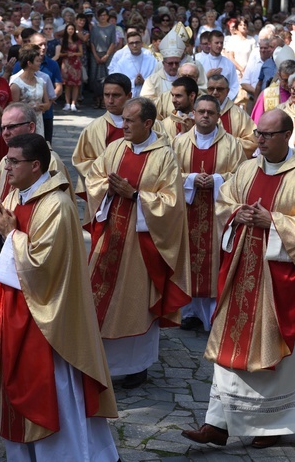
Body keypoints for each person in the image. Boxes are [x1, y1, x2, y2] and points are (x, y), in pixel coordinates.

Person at [181, 109, 295, 449]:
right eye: (258, 133)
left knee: (275, 354)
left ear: (285, 136)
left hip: (281, 281)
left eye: (266, 134)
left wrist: (274, 222)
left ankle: (273, 426)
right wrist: (238, 215)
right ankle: (217, 423)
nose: (259, 139)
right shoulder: (247, 168)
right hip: (241, 273)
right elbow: (225, 202)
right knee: (228, 343)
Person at [0, 132, 118, 460]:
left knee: (50, 387)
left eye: (13, 162)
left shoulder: (55, 204)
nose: (7, 168)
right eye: (6, 161)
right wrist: (2, 235)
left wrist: (10, 234)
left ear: (35, 165)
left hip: (47, 318)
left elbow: (43, 267)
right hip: (12, 306)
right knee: (13, 380)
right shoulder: (16, 195)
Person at [85, 97, 191, 389]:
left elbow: (172, 204)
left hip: (142, 244)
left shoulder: (164, 157)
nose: (123, 125)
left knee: (136, 302)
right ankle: (99, 362)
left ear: (147, 123)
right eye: (122, 119)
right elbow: (93, 178)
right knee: (98, 295)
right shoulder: (116, 147)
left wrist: (134, 195)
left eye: (130, 121)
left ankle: (137, 365)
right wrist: (106, 187)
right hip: (110, 236)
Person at [0, 102, 74, 335]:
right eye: (3, 128)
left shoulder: (51, 164)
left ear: (31, 127)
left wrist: (11, 234)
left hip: (35, 274)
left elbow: (53, 232)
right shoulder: (6, 160)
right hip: (6, 256)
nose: (6, 133)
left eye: (12, 127)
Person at [172, 95, 246, 331]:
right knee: (187, 258)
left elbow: (242, 177)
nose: (205, 116)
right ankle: (189, 312)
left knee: (215, 260)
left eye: (210, 112)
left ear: (218, 116)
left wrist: (217, 180)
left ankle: (214, 314)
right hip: (187, 212)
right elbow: (167, 175)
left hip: (218, 215)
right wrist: (191, 179)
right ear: (193, 114)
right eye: (201, 111)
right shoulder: (179, 143)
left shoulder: (233, 145)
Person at [72, 73, 132, 203]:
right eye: (106, 95)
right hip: (106, 194)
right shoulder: (93, 129)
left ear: (129, 96)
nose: (110, 101)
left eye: (116, 95)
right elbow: (82, 162)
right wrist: (106, 184)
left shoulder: (147, 125)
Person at [206, 74, 257, 158]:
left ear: (227, 91)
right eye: (211, 89)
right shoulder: (199, 112)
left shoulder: (239, 114)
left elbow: (253, 143)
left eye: (219, 89)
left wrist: (226, 142)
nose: (215, 92)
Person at [9, 46, 48, 135]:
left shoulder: (40, 81)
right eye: (37, 61)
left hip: (38, 121)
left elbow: (47, 103)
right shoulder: (16, 84)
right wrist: (32, 108)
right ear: (29, 63)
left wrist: (43, 106)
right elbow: (13, 106)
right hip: (23, 122)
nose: (40, 63)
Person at [108, 31, 157, 98]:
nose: (134, 45)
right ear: (128, 45)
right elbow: (117, 81)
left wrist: (145, 82)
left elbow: (157, 78)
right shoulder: (122, 62)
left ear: (142, 44)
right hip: (129, 98)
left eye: (137, 42)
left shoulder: (151, 60)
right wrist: (133, 82)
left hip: (148, 96)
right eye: (131, 43)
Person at [198, 31, 240, 100]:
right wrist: (206, 76)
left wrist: (225, 101)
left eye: (221, 43)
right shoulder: (200, 62)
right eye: (217, 43)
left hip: (224, 103)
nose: (219, 45)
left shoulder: (229, 64)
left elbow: (234, 86)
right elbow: (196, 85)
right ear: (209, 44)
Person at [89, 7, 117, 109]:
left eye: (104, 15)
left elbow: (113, 43)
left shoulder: (112, 27)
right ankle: (97, 99)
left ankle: (105, 100)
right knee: (95, 78)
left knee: (107, 78)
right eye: (101, 15)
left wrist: (107, 55)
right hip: (95, 54)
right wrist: (96, 55)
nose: (103, 17)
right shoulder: (94, 27)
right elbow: (91, 42)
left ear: (107, 16)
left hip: (108, 55)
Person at [60, 23, 83, 111]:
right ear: (66, 30)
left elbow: (81, 53)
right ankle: (67, 103)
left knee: (76, 84)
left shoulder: (77, 40)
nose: (70, 31)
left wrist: (74, 54)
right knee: (67, 84)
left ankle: (73, 103)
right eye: (69, 29)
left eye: (72, 29)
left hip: (75, 63)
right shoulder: (63, 40)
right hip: (66, 63)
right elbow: (60, 53)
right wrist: (66, 54)